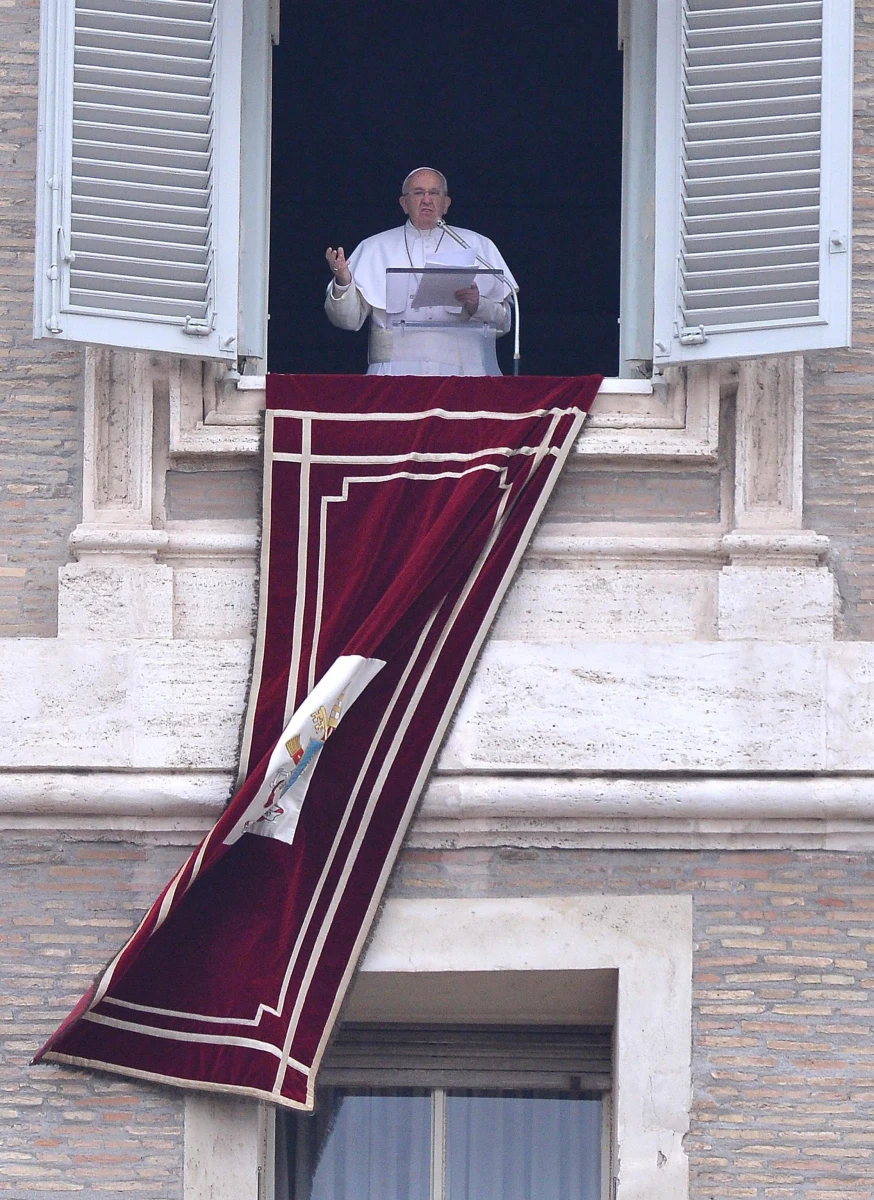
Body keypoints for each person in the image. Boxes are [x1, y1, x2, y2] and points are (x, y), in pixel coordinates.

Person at [325, 168, 516, 376]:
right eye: (418, 193)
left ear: (446, 203)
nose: (427, 199)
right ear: (404, 204)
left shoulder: (478, 245)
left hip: (465, 374)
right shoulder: (375, 247)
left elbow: (504, 323)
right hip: (393, 374)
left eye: (434, 193)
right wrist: (343, 281)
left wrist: (478, 305)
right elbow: (348, 321)